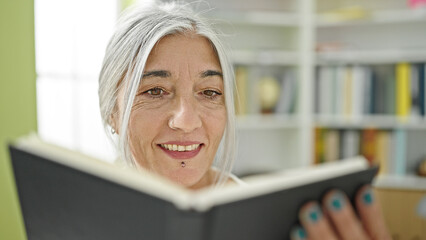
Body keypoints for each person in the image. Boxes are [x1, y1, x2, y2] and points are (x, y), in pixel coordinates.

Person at [98, 1, 391, 239]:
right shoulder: (77, 213)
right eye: (156, 91)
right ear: (113, 110)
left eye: (210, 92)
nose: (186, 121)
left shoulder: (271, 226)